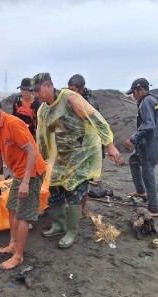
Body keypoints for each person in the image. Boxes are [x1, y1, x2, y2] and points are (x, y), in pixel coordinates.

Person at [30, 72, 121, 249]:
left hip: (81, 156)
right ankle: (58, 225)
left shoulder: (70, 98)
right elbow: (41, 136)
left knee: (74, 194)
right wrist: (41, 159)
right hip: (59, 159)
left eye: (37, 90)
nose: (35, 95)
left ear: (48, 86)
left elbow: (95, 118)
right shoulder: (43, 109)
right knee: (55, 190)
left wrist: (109, 144)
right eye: (33, 92)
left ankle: (71, 232)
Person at [0, 89, 47, 270]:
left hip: (32, 172)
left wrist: (25, 182)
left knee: (23, 214)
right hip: (19, 172)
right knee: (11, 208)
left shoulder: (13, 124)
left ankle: (18, 256)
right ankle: (13, 244)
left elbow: (31, 152)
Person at [124, 78, 158, 217]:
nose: (133, 96)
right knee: (133, 160)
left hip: (148, 143)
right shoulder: (157, 100)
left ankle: (153, 208)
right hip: (155, 141)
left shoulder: (146, 101)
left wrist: (133, 139)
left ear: (141, 90)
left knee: (148, 171)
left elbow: (148, 125)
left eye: (134, 93)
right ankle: (140, 190)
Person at [68, 73, 105, 218]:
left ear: (81, 89)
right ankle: (76, 207)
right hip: (76, 147)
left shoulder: (90, 104)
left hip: (88, 147)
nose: (70, 92)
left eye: (73, 89)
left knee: (83, 180)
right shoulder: (73, 101)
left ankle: (82, 209)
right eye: (69, 89)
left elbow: (93, 128)